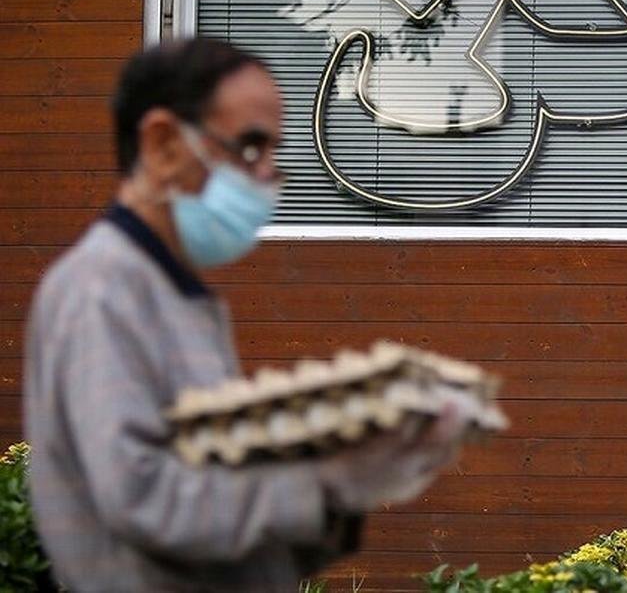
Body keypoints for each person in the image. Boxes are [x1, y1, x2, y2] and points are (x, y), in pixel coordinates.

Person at [23, 38, 467, 592]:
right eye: (252, 147)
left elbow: (225, 533)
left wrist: (348, 490)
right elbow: (143, 498)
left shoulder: (172, 292)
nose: (268, 175)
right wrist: (322, 482)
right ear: (162, 144)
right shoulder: (102, 288)